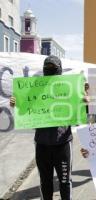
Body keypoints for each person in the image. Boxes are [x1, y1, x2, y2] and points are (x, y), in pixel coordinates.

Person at [10, 55, 89, 200]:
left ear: (59, 71)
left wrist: (85, 103)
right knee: (45, 183)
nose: (51, 71)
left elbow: (81, 118)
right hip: (42, 145)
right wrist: (16, 104)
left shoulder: (69, 89)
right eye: (48, 69)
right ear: (44, 71)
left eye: (54, 69)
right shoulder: (35, 90)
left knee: (65, 182)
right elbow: (24, 113)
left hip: (63, 145)